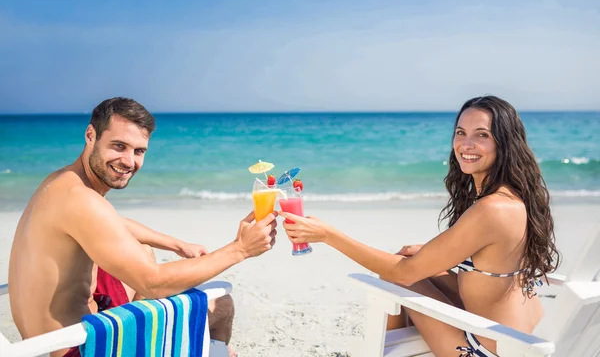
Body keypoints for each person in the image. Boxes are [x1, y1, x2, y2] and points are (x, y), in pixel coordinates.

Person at [280, 95, 560, 356]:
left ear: (504, 143)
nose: (466, 144)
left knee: (394, 277)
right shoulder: (514, 196)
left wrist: (328, 235)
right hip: (521, 339)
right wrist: (434, 255)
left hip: (486, 350)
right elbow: (495, 256)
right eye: (460, 133)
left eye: (482, 135)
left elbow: (402, 274)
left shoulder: (490, 208)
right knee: (410, 262)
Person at [8, 97, 278, 357]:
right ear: (91, 135)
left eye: (138, 151)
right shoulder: (81, 201)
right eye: (118, 146)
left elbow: (110, 222)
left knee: (144, 252)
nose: (128, 161)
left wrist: (176, 245)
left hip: (40, 344)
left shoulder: (63, 183)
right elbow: (154, 282)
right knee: (220, 305)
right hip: (77, 349)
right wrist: (240, 249)